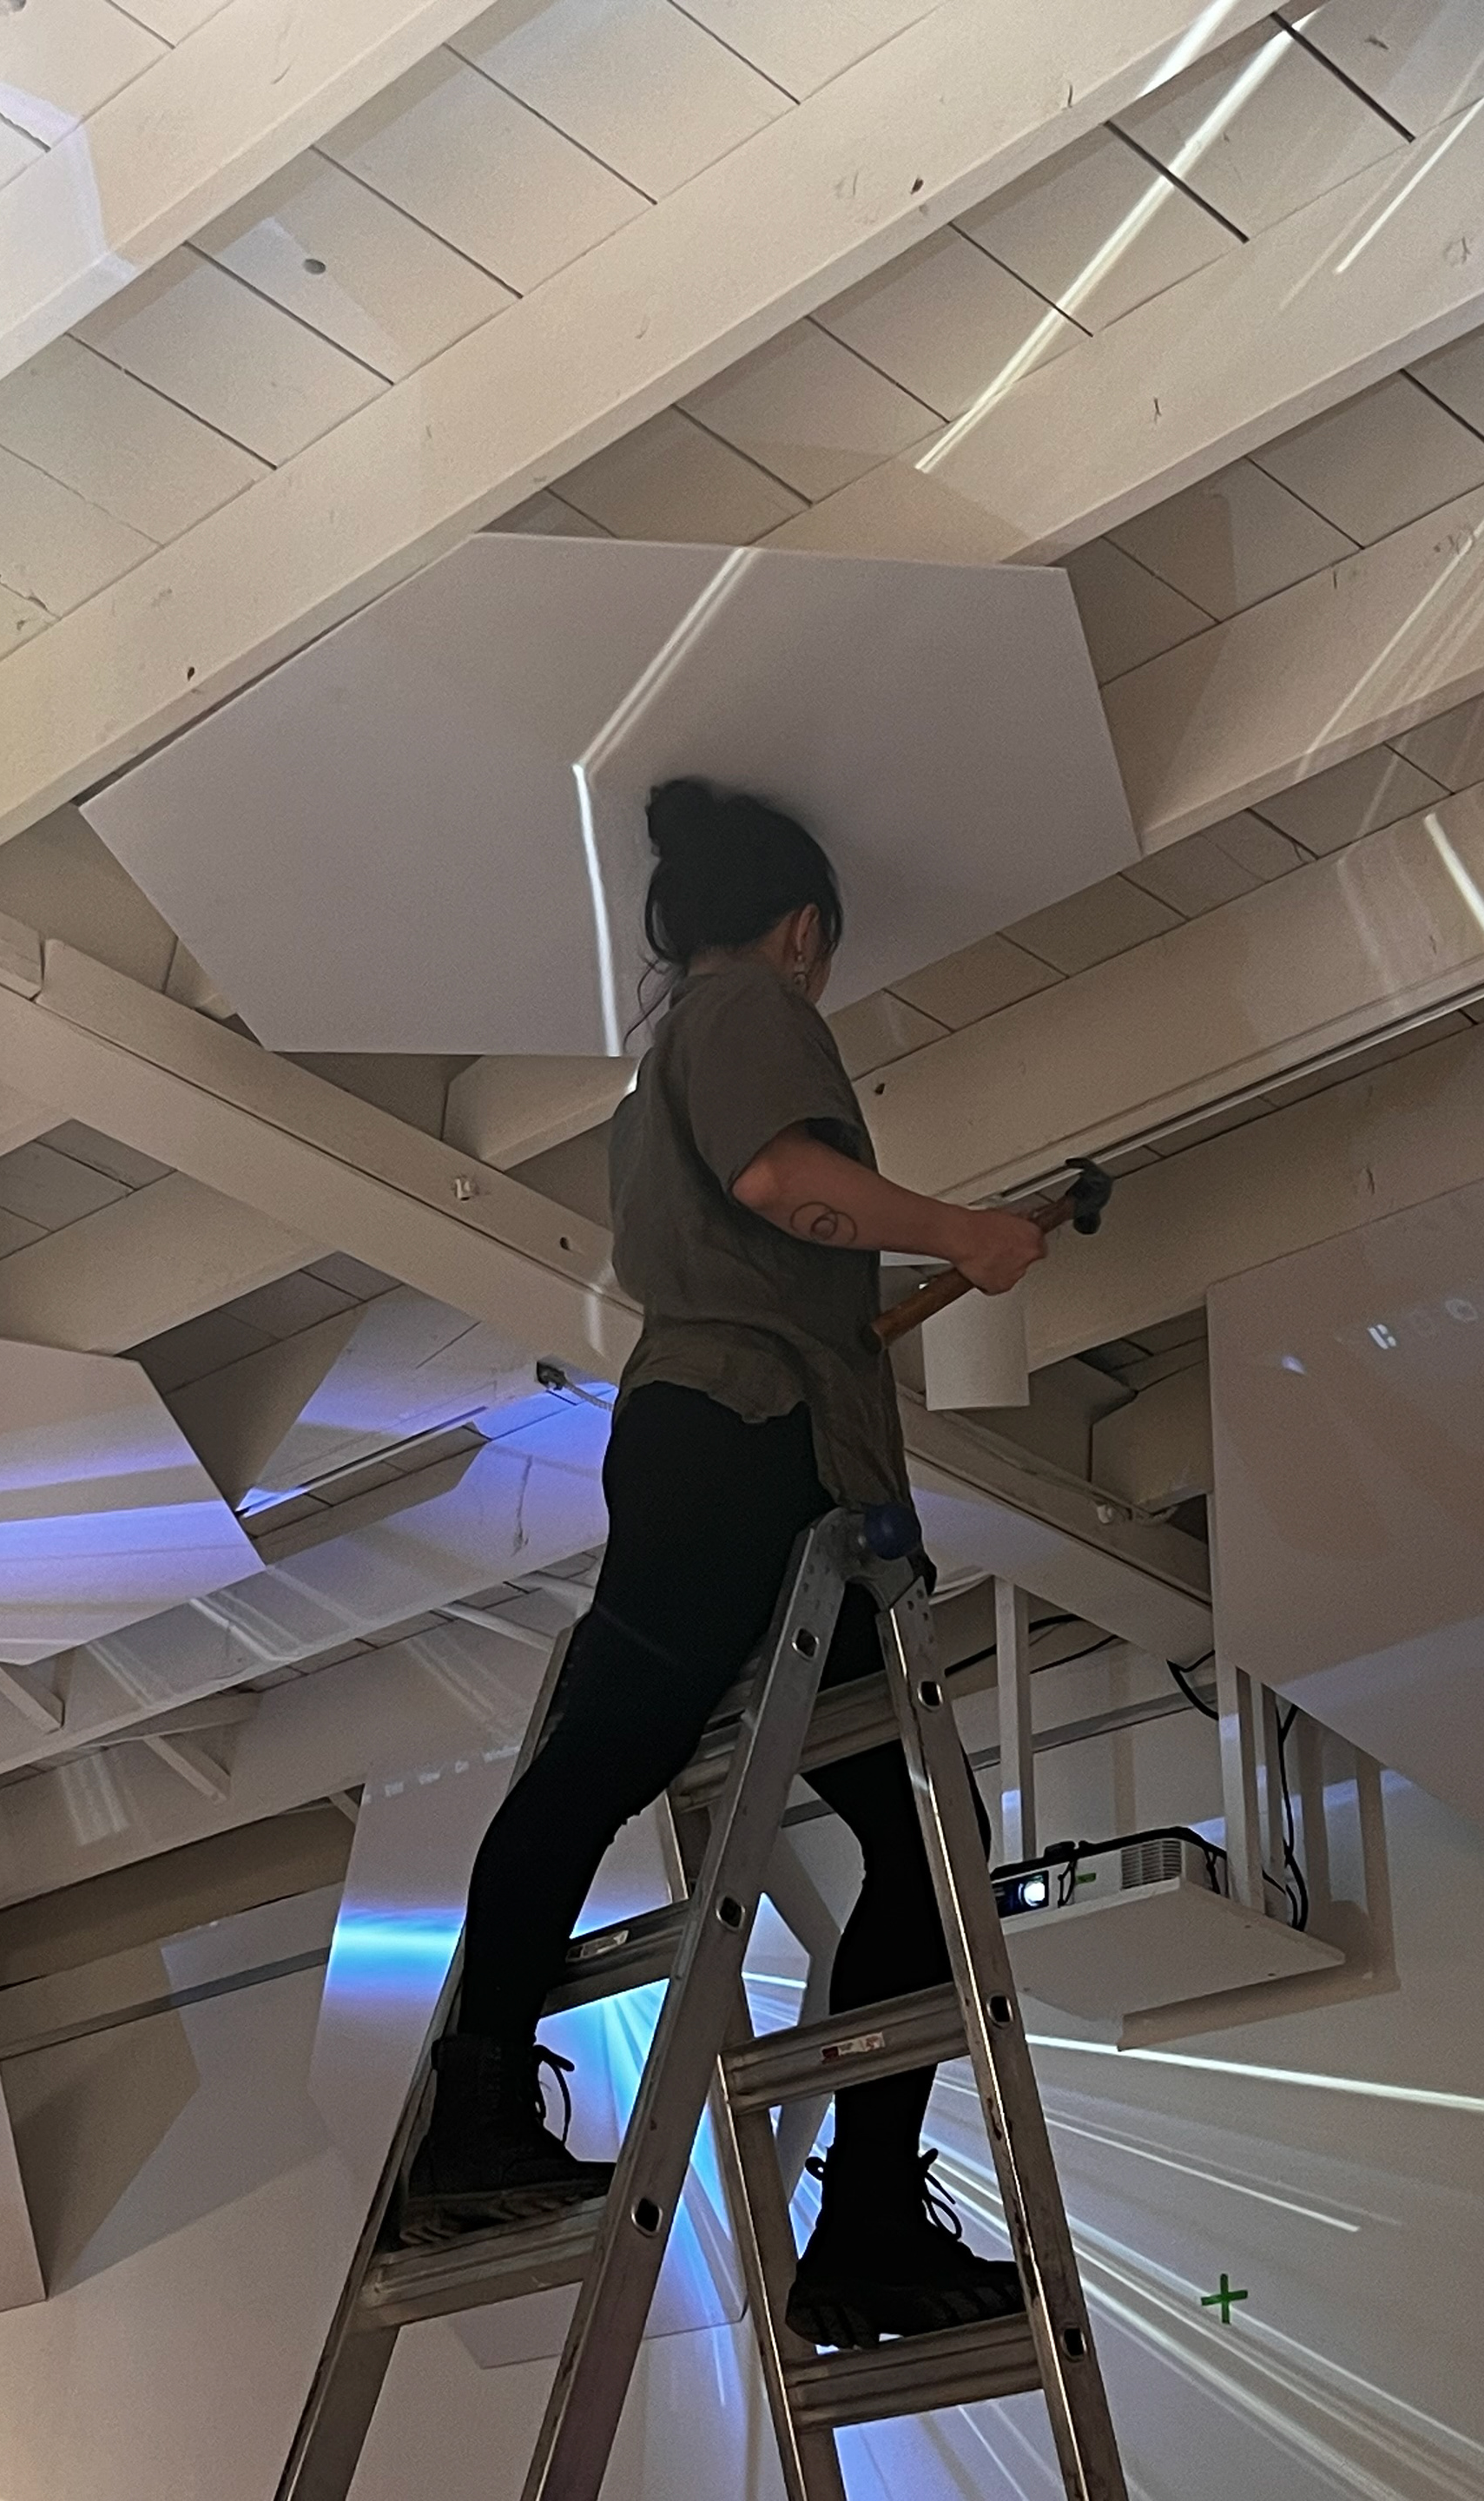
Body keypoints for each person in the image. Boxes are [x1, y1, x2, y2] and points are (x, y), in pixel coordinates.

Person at [399, 776, 1054, 2350]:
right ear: (804, 929)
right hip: (748, 1447)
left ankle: (866, 2220)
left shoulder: (664, 1067)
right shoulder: (749, 1006)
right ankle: (476, 2120)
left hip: (759, 1454)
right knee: (615, 1762)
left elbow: (758, 1222)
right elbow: (784, 1179)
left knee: (919, 1848)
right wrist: (961, 1229)